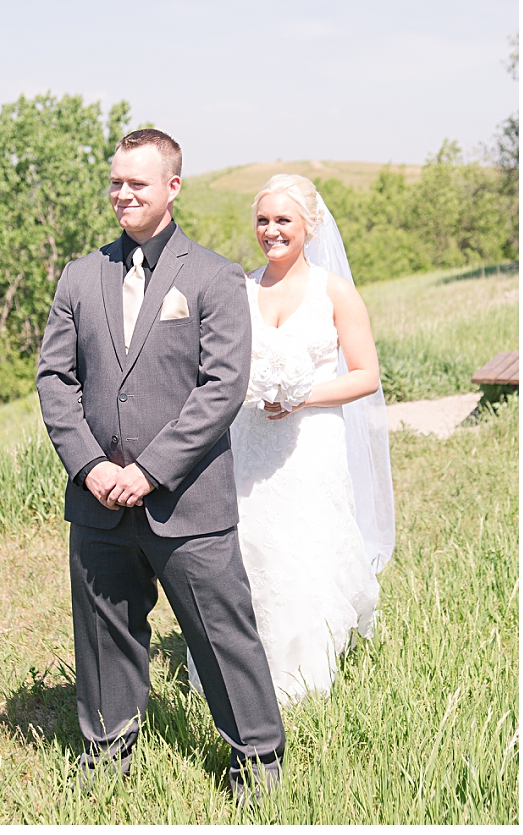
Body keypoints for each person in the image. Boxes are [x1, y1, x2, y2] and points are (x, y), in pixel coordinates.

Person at [36, 129, 285, 803]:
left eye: (136, 183)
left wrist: (146, 471)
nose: (122, 193)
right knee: (102, 631)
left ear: (172, 187)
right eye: (115, 181)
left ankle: (256, 757)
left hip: (186, 499)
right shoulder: (78, 275)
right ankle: (106, 749)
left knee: (219, 630)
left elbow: (221, 386)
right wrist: (89, 465)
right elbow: (54, 378)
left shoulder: (211, 276)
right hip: (96, 500)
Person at [186, 174, 392, 706]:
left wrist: (301, 396)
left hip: (309, 441)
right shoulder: (240, 288)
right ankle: (236, 670)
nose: (271, 230)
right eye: (263, 220)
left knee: (303, 547)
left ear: (309, 226)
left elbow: (366, 375)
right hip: (249, 441)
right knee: (246, 548)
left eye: (283, 220)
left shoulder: (335, 291)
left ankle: (303, 675)